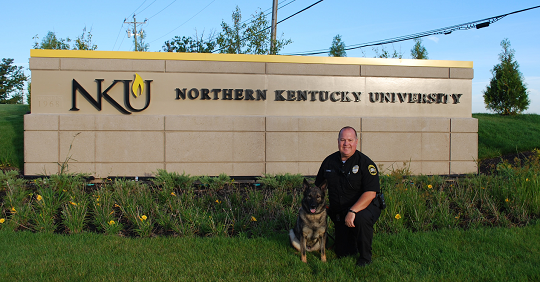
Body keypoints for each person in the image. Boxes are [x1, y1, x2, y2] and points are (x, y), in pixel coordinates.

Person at [315, 126, 382, 267]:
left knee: (361, 218)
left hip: (365, 207)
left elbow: (371, 193)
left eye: (350, 140)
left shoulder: (365, 163)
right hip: (340, 211)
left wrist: (353, 211)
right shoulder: (329, 162)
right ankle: (352, 241)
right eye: (343, 140)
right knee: (344, 252)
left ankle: (365, 258)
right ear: (338, 141)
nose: (346, 144)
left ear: (356, 142)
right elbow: (318, 188)